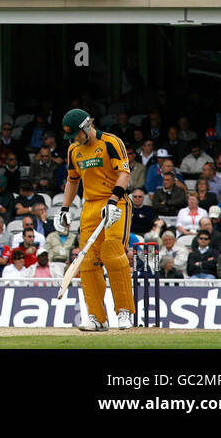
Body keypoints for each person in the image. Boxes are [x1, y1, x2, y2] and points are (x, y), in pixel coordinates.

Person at [56, 108, 136, 331]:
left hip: (116, 203)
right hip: (90, 207)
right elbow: (72, 181)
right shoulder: (74, 149)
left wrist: (112, 200)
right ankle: (97, 317)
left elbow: (124, 174)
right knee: (89, 262)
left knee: (113, 253)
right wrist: (64, 208)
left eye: (75, 134)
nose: (73, 140)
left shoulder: (111, 142)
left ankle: (124, 312)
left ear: (86, 127)